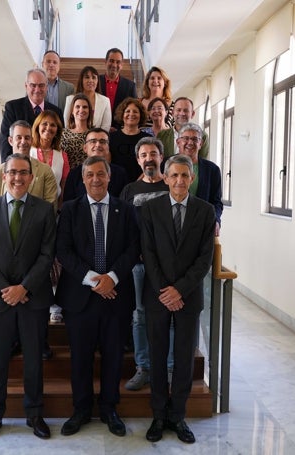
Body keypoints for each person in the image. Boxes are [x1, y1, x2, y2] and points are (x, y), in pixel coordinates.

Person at [0, 153, 56, 443]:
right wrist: (4, 289)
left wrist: (24, 288)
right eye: (13, 173)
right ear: (4, 175)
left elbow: (47, 255)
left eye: (24, 173)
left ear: (31, 177)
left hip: (32, 300)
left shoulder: (45, 211)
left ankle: (34, 414)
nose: (18, 178)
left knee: (33, 360)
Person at [56, 155, 140, 438]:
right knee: (80, 356)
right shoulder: (69, 210)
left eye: (100, 174)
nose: (95, 179)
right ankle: (80, 409)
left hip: (116, 296)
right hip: (80, 297)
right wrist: (95, 280)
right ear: (82, 179)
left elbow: (133, 248)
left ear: (109, 177)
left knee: (114, 355)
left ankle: (109, 408)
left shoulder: (125, 210)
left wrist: (111, 278)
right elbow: (63, 250)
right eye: (89, 174)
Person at [140, 154, 216, 445]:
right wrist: (165, 290)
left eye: (185, 176)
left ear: (192, 178)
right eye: (174, 175)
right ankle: (159, 415)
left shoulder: (205, 211)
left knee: (184, 359)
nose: (180, 181)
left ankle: (178, 416)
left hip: (188, 297)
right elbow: (148, 252)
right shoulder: (150, 209)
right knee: (158, 358)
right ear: (166, 177)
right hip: (158, 294)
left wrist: (179, 290)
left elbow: (204, 258)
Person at [119, 137, 173, 391]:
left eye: (153, 153)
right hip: (138, 266)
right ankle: (144, 367)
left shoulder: (172, 186)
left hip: (167, 265)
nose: (149, 158)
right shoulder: (129, 190)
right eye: (143, 154)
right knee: (139, 315)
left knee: (168, 315)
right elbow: (123, 228)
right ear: (138, 160)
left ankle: (170, 368)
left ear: (161, 157)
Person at [0, 120, 58, 211]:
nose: (23, 142)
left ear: (31, 140)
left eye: (27, 138)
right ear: (10, 140)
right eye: (19, 138)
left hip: (36, 224)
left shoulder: (45, 171)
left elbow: (50, 207)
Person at [0, 69, 63, 161]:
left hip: (49, 165)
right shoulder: (13, 107)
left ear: (47, 86)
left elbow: (60, 141)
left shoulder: (56, 111)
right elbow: (5, 141)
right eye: (33, 85)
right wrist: (7, 167)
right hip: (20, 165)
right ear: (26, 86)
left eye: (41, 85)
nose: (37, 90)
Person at [175, 122, 223, 235]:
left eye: (195, 139)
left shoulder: (212, 170)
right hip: (172, 225)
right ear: (178, 142)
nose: (190, 142)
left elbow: (216, 202)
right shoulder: (166, 165)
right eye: (185, 138)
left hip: (201, 226)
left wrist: (216, 220)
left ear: (200, 143)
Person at [63, 128, 128, 202]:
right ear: (85, 148)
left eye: (102, 142)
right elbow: (68, 205)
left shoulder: (120, 173)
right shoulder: (74, 174)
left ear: (108, 147)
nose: (98, 145)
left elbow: (124, 205)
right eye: (93, 141)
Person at [29, 110, 69, 208]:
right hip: (28, 207)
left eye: (52, 125)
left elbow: (63, 185)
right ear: (37, 127)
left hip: (53, 208)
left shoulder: (62, 156)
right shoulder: (28, 152)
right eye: (44, 124)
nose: (48, 128)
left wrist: (60, 207)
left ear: (57, 131)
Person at [109, 97, 151, 182]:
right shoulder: (111, 137)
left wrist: (136, 184)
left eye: (135, 112)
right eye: (127, 111)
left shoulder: (148, 139)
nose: (131, 114)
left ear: (141, 115)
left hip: (141, 184)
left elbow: (150, 164)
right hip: (115, 183)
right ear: (122, 114)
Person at [63, 66, 112, 131]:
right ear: (81, 80)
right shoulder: (70, 99)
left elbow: (106, 127)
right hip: (74, 139)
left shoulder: (105, 101)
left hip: (97, 139)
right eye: (87, 77)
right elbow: (67, 125)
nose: (90, 80)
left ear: (97, 81)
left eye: (94, 77)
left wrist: (93, 139)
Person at [99, 48, 137, 130]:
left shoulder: (130, 86)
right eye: (111, 61)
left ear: (122, 65)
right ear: (105, 62)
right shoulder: (96, 82)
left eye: (118, 62)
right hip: (98, 130)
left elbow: (134, 109)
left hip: (121, 131)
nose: (114, 65)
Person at [61, 93, 93, 169]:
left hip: (89, 174)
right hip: (67, 176)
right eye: (77, 107)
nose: (81, 110)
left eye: (85, 107)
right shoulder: (63, 133)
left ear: (89, 111)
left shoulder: (94, 134)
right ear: (72, 111)